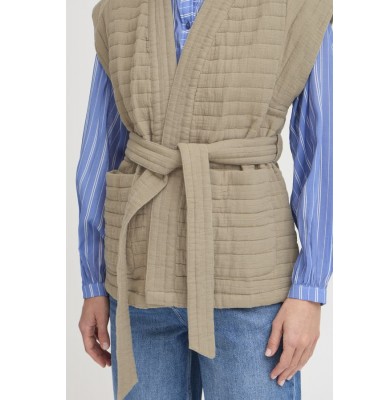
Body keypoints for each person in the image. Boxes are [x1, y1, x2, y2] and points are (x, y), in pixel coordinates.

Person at [76, 1, 332, 399]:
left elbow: (323, 153)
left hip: (248, 280)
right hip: (142, 278)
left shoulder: (297, 7)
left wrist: (309, 290)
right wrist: (93, 281)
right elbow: (101, 150)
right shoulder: (119, 10)